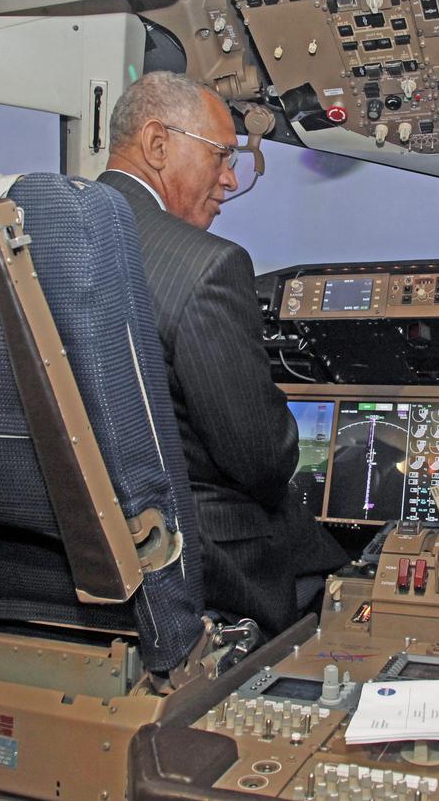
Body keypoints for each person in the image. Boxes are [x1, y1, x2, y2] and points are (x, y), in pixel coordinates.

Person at [100, 71, 346, 638]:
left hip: (69, 555)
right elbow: (260, 459)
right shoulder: (205, 267)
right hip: (199, 562)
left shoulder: (39, 240)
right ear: (158, 145)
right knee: (351, 583)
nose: (231, 179)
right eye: (222, 155)